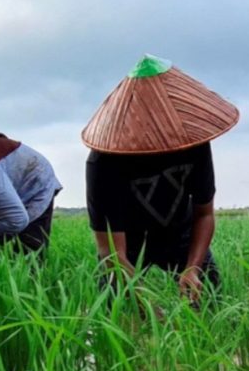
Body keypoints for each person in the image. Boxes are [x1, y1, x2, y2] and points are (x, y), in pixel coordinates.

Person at [82, 55, 239, 302]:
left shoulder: (193, 144)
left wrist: (193, 268)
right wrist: (148, 305)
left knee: (210, 296)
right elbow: (110, 253)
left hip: (179, 231)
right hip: (127, 240)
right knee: (116, 305)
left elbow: (204, 213)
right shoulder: (104, 162)